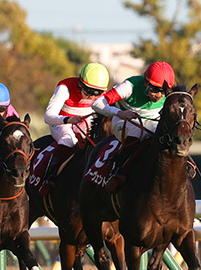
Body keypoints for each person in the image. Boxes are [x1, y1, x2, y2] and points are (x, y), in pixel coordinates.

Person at [90, 61, 178, 183]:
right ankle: (118, 170)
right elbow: (97, 103)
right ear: (145, 82)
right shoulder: (129, 86)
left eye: (163, 91)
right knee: (138, 132)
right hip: (123, 121)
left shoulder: (170, 94)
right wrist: (119, 113)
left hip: (152, 123)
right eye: (154, 89)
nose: (159, 95)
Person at [40, 62, 111, 190]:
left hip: (85, 121)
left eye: (97, 93)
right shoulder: (65, 87)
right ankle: (49, 176)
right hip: (61, 121)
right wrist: (68, 120)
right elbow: (48, 117)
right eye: (88, 91)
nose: (92, 96)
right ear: (79, 82)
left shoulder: (100, 95)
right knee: (69, 140)